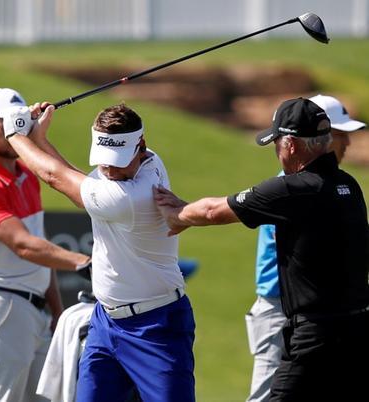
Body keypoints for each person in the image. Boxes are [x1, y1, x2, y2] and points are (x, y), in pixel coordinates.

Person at [154, 97, 369, 401]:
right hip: (357, 329)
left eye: (276, 143)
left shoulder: (294, 188)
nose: (276, 151)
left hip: (316, 333)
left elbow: (215, 211)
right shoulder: (348, 184)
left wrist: (175, 214)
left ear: (291, 145)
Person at [3, 102, 195, 402]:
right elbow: (77, 179)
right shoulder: (148, 161)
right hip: (106, 323)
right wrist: (39, 139)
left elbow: (56, 177)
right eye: (103, 159)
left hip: (156, 328)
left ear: (140, 146)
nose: (108, 168)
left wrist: (15, 134)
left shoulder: (130, 198)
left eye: (117, 160)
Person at [0, 88, 92, 402]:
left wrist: (57, 311)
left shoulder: (27, 176)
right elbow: (24, 245)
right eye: (5, 122)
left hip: (37, 311)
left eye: (18, 121)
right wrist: (83, 261)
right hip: (1, 309)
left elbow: (39, 248)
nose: (12, 129)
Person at [244, 94, 366, 402]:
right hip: (281, 309)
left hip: (323, 319)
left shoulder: (334, 185)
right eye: (338, 135)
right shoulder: (295, 187)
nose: (343, 144)